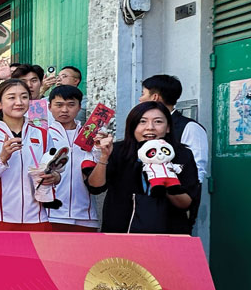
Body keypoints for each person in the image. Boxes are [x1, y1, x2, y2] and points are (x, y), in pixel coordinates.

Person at [88, 101, 200, 234]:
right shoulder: (118, 150)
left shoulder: (182, 154)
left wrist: (164, 176)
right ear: (132, 126)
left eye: (158, 122)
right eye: (142, 121)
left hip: (169, 233)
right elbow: (95, 187)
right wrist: (104, 157)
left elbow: (186, 203)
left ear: (168, 127)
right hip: (121, 231)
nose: (150, 127)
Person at [0, 79, 60, 231]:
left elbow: (54, 171)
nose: (19, 102)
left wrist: (54, 177)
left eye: (24, 97)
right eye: (11, 97)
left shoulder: (43, 135)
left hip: (37, 218)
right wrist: (2, 158)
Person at [46, 85, 98, 232]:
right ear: (49, 107)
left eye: (71, 105)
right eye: (59, 105)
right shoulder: (42, 134)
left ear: (80, 107)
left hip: (85, 215)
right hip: (50, 213)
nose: (64, 110)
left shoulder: (91, 135)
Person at [140, 74, 208, 183]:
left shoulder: (190, 127)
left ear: (155, 97)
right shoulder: (140, 126)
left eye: (143, 94)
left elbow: (198, 168)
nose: (140, 99)